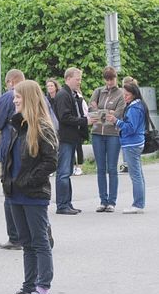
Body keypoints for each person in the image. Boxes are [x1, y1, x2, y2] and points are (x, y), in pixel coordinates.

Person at [1, 80, 58, 294]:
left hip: (33, 194)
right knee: (27, 243)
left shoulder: (42, 127)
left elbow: (50, 161)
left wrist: (27, 180)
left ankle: (43, 289)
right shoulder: (18, 125)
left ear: (30, 99)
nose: (14, 100)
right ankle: (29, 287)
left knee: (39, 241)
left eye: (18, 97)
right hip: (15, 194)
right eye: (14, 96)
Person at [0, 69, 26, 249]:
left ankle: (15, 237)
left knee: (10, 193)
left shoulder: (9, 96)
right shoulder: (36, 93)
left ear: (11, 81)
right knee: (31, 192)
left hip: (11, 150)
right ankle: (39, 233)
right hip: (32, 151)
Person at [53, 67, 91, 215]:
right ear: (68, 78)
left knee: (67, 171)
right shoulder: (63, 95)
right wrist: (84, 121)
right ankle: (62, 205)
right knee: (63, 172)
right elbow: (64, 117)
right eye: (77, 79)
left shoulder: (72, 94)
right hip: (65, 138)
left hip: (71, 137)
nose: (79, 82)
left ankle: (67, 203)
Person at [88, 66, 125, 213]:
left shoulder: (120, 94)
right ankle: (103, 201)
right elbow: (91, 111)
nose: (109, 82)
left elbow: (118, 114)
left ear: (115, 78)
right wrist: (106, 113)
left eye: (112, 79)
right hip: (97, 134)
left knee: (112, 168)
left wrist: (101, 112)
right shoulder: (97, 91)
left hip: (113, 135)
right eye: (107, 79)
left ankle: (112, 202)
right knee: (100, 169)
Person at [106, 83, 146, 214]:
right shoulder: (138, 105)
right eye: (124, 94)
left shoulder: (134, 108)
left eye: (127, 95)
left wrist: (116, 121)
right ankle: (140, 202)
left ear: (133, 94)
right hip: (136, 143)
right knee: (138, 174)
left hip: (132, 144)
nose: (125, 97)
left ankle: (138, 204)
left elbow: (130, 127)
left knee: (135, 175)